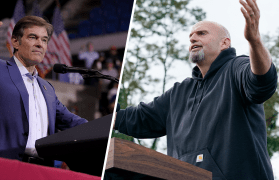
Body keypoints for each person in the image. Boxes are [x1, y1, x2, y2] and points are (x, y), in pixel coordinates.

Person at [114, 0, 276, 179]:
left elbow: (262, 82)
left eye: (201, 33)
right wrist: (107, 116)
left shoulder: (236, 68)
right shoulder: (179, 92)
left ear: (224, 43)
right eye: (191, 36)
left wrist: (254, 42)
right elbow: (138, 119)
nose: (192, 38)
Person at [0, 7, 88, 165]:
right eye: (33, 37)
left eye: (44, 40)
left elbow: (73, 122)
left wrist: (107, 127)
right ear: (15, 41)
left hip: (39, 168)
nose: (40, 44)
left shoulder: (47, 89)